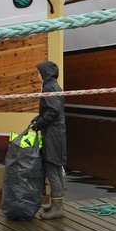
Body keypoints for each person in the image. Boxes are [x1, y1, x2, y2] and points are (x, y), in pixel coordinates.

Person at [30, 60, 67, 219]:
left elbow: (52, 111)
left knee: (51, 168)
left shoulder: (49, 88)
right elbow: (52, 110)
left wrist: (38, 125)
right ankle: (57, 203)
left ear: (45, 73)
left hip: (52, 134)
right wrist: (38, 118)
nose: (37, 75)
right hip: (58, 133)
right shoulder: (54, 86)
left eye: (39, 73)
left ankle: (58, 209)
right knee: (57, 168)